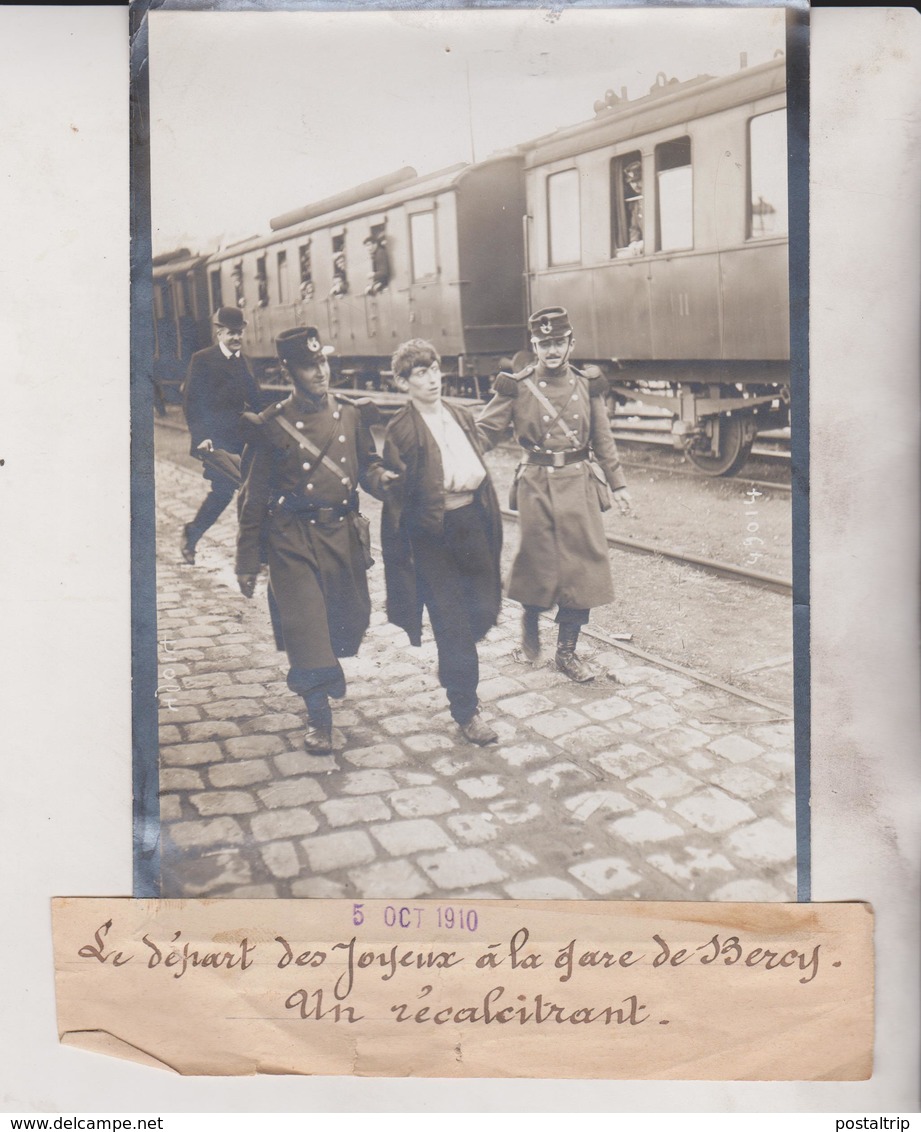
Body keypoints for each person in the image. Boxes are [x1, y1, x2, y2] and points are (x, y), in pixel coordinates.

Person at [235, 327, 396, 754]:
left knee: (350, 619)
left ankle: (324, 667)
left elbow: (369, 465)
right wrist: (247, 561)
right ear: (289, 370)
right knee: (306, 628)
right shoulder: (271, 426)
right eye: (309, 366)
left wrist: (384, 480)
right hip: (291, 540)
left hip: (341, 534)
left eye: (323, 362)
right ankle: (319, 718)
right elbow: (252, 498)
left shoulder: (350, 414)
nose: (320, 371)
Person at [475, 306, 634, 683]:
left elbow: (603, 439)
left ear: (570, 343)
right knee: (538, 563)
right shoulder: (517, 384)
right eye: (544, 343)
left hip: (580, 483)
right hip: (537, 484)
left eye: (558, 342)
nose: (551, 349)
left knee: (584, 568)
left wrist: (620, 485)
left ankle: (566, 653)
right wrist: (454, 455)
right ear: (533, 344)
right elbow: (485, 430)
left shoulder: (587, 384)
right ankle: (530, 616)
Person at [381, 339, 502, 745]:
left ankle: (454, 666)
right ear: (403, 382)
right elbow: (397, 497)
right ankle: (466, 708)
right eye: (420, 373)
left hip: (473, 524)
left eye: (435, 369)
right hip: (432, 533)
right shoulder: (401, 429)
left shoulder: (461, 415)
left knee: (484, 609)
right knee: (452, 623)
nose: (432, 379)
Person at [181, 306, 262, 564]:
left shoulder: (244, 361)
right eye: (231, 333)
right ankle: (192, 535)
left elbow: (256, 399)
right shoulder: (203, 359)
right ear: (219, 333)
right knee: (224, 491)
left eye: (239, 333)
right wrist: (201, 437)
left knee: (250, 491)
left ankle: (253, 550)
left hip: (242, 438)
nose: (237, 338)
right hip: (215, 440)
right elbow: (192, 403)